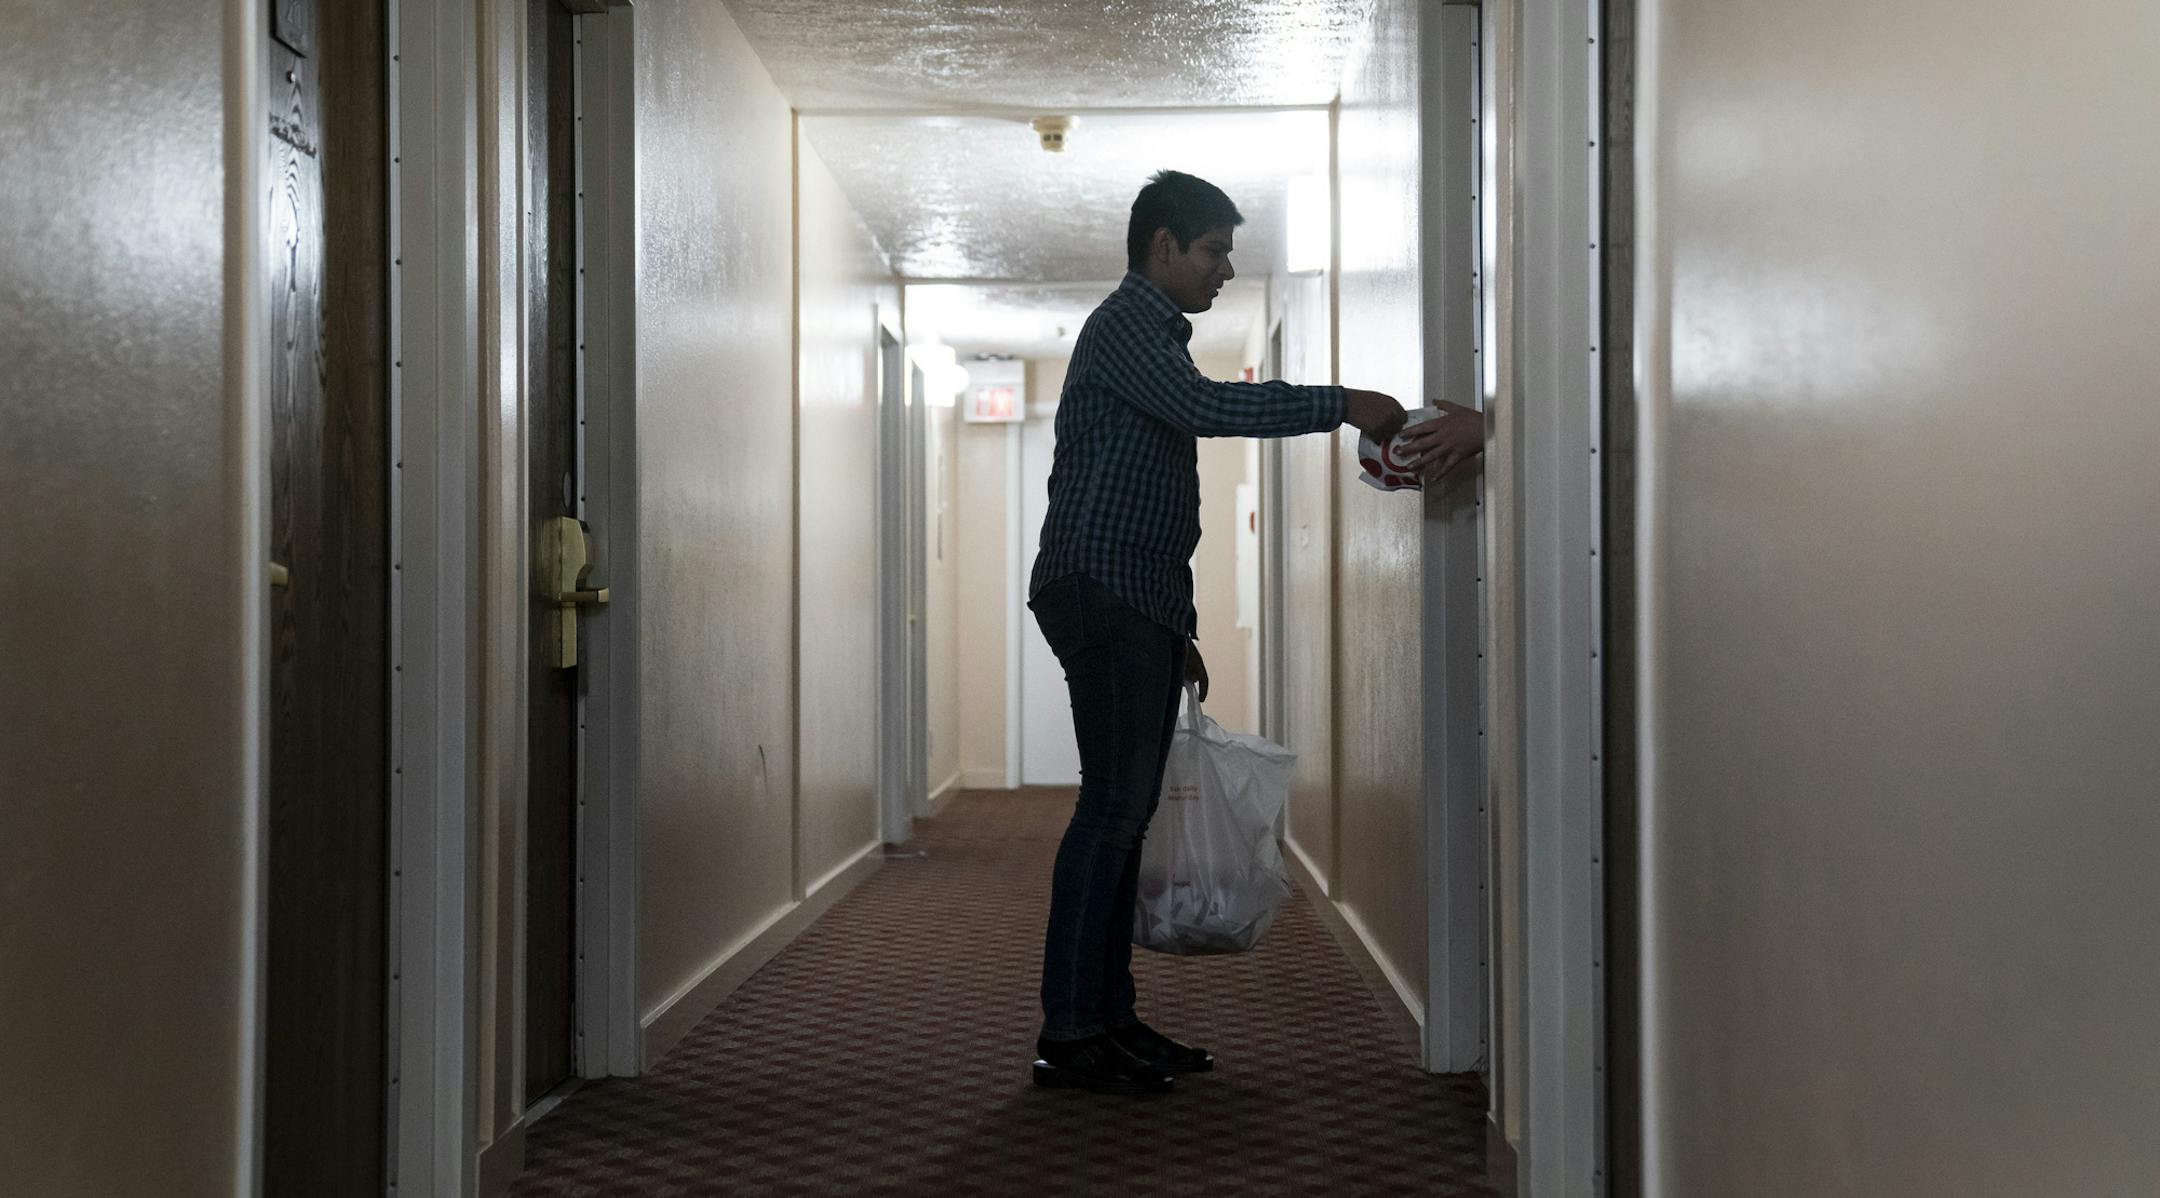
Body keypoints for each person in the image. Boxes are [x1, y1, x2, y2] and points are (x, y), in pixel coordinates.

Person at [1027, 170, 1483, 1094]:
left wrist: (1176, 628)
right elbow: (1208, 411)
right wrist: (1342, 401)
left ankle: (1105, 1018)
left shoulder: (1153, 337)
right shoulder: (1124, 328)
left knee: (1123, 813)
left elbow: (1152, 500)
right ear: (1162, 246)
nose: (1225, 268)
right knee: (1111, 813)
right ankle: (1073, 1030)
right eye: (1213, 250)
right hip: (1100, 592)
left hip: (1130, 598)